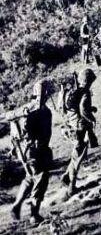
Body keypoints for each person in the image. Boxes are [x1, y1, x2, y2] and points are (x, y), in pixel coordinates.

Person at [9, 79, 54, 223]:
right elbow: (29, 129)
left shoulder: (27, 108)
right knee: (41, 177)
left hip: (25, 151)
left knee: (30, 178)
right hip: (35, 150)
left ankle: (16, 205)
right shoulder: (38, 111)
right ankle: (34, 214)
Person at [60, 69, 98, 198]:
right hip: (80, 128)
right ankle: (71, 186)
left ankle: (66, 176)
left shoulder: (72, 92)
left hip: (71, 127)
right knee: (79, 156)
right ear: (89, 81)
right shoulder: (85, 92)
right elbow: (83, 110)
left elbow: (74, 109)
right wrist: (92, 119)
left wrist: (90, 109)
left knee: (76, 153)